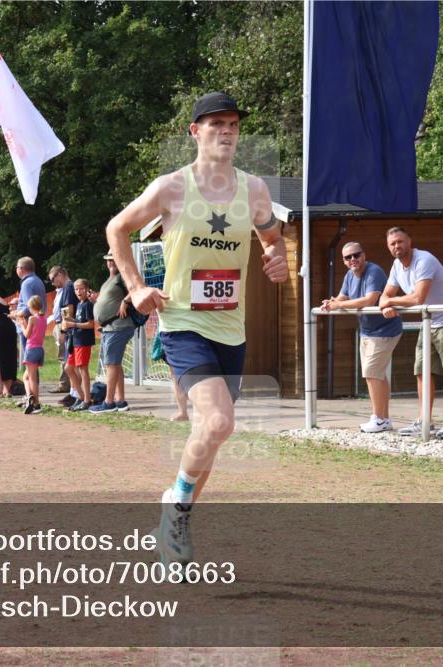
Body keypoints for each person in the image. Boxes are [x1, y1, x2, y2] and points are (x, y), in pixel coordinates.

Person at [106, 91, 288, 566]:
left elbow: (272, 235)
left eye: (233, 124)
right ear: (195, 131)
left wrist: (279, 259)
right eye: (216, 124)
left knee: (211, 433)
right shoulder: (170, 188)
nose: (227, 131)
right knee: (219, 421)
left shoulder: (254, 190)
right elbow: (117, 229)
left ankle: (173, 519)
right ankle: (176, 508)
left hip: (232, 327)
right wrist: (137, 286)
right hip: (183, 323)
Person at [380, 227, 443, 439]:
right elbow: (385, 295)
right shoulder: (396, 266)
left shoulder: (424, 260)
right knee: (421, 371)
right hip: (428, 321)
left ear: (410, 241)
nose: (397, 246)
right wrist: (386, 303)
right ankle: (424, 420)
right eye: (392, 244)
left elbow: (418, 297)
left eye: (400, 241)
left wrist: (390, 302)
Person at [321, 241, 403, 433]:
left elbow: (369, 300)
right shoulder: (350, 275)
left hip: (385, 330)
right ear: (343, 261)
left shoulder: (374, 272)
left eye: (356, 255)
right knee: (377, 375)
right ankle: (384, 419)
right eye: (348, 257)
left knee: (371, 373)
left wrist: (339, 305)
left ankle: (378, 418)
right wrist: (331, 302)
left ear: (364, 255)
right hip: (367, 331)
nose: (353, 260)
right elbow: (342, 297)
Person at [90, 253, 136, 414]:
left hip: (118, 326)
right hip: (110, 327)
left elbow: (137, 288)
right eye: (109, 259)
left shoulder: (122, 276)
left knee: (111, 364)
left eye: (114, 258)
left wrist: (125, 301)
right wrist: (97, 300)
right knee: (115, 364)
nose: (111, 262)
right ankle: (120, 400)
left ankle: (109, 402)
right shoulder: (109, 281)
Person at [64, 279, 95, 411]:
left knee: (83, 369)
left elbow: (91, 324)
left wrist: (74, 324)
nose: (78, 292)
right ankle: (81, 396)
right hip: (75, 341)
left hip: (83, 341)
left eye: (81, 289)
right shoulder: (79, 304)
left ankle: (87, 400)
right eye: (76, 289)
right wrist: (69, 319)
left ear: (87, 289)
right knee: (68, 368)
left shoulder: (88, 304)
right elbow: (79, 320)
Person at [48, 265, 77, 404]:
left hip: (68, 328)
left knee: (69, 363)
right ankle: (74, 392)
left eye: (53, 280)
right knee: (69, 362)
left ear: (60, 275)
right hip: (67, 326)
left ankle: (75, 392)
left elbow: (68, 310)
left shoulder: (69, 287)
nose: (53, 283)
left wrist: (63, 330)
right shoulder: (67, 288)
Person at [11, 257, 47, 363]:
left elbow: (28, 306)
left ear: (21, 269)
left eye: (17, 267)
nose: (16, 270)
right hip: (38, 323)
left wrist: (16, 314)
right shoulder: (37, 280)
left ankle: (32, 380)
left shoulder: (27, 283)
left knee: (30, 363)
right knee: (34, 364)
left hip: (28, 325)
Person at [18, 295, 47, 414]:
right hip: (39, 349)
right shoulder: (43, 318)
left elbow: (27, 335)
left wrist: (21, 324)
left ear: (32, 306)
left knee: (32, 379)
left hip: (31, 349)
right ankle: (30, 396)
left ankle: (36, 403)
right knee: (25, 377)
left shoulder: (32, 319)